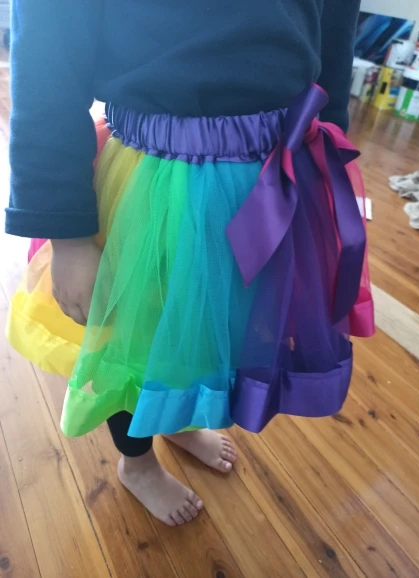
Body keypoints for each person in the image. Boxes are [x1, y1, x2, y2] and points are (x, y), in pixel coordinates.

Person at [6, 0, 374, 527]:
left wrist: (329, 150)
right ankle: (137, 462)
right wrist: (69, 235)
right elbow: (47, 61)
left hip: (270, 178)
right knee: (133, 341)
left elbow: (333, 28)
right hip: (152, 184)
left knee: (209, 331)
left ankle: (174, 420)